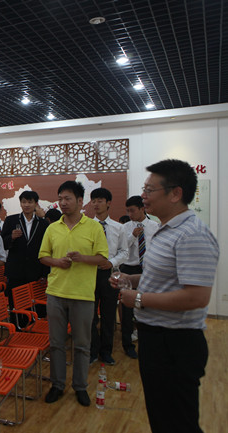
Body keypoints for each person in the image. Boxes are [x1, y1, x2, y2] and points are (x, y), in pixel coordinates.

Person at [113, 159, 218, 433]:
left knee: (178, 423)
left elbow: (196, 297)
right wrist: (130, 279)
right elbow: (160, 278)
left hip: (175, 343)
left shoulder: (192, 234)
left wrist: (137, 299)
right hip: (156, 338)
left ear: (175, 193)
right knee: (161, 420)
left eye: (149, 190)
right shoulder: (163, 230)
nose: (143, 196)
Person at [38, 181, 108, 407]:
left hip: (83, 294)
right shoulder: (52, 228)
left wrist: (82, 258)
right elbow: (43, 256)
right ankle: (57, 384)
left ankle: (80, 386)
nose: (63, 202)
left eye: (67, 198)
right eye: (60, 198)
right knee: (56, 343)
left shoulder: (94, 227)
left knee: (82, 344)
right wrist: (57, 262)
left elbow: (102, 258)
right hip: (55, 293)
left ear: (80, 201)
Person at [89, 188, 128, 365]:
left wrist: (111, 263)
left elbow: (124, 252)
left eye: (100, 200)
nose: (96, 204)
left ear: (108, 203)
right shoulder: (87, 226)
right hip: (90, 273)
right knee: (90, 315)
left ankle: (106, 351)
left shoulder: (119, 227)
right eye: (93, 201)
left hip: (110, 274)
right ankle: (92, 350)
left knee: (109, 314)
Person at [119, 195, 158, 359]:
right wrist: (133, 236)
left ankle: (148, 341)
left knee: (146, 305)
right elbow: (122, 248)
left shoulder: (155, 226)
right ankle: (127, 344)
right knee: (127, 308)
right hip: (128, 268)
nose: (130, 214)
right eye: (127, 211)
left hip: (147, 269)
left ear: (142, 209)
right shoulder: (125, 227)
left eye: (132, 210)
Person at [1, 190, 49, 292]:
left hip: (36, 271)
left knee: (34, 300)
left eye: (30, 202)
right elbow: (2, 244)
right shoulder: (11, 220)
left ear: (36, 204)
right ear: (20, 203)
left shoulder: (43, 223)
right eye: (23, 202)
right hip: (15, 271)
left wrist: (45, 274)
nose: (26, 205)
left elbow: (46, 249)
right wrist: (11, 237)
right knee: (14, 299)